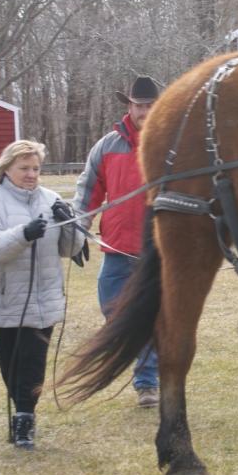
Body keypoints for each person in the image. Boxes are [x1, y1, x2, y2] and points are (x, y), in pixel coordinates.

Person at [0, 139, 85, 449]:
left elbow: (69, 249)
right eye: (24, 168)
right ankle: (21, 408)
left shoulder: (51, 199)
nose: (31, 174)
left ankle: (25, 419)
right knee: (11, 364)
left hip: (42, 297)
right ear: (8, 168)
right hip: (5, 298)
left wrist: (70, 226)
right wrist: (23, 234)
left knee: (33, 363)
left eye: (35, 168)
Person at [74, 75, 161, 408]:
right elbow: (87, 192)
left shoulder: (169, 144)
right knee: (114, 313)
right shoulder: (108, 146)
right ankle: (131, 361)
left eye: (151, 105)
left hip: (157, 251)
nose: (145, 111)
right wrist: (78, 231)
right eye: (140, 105)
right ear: (130, 106)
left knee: (151, 316)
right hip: (117, 249)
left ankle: (147, 382)